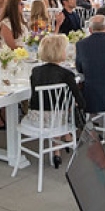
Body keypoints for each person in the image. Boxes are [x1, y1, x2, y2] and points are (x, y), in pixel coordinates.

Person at [28, 34, 81, 168]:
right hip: (56, 120)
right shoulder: (67, 74)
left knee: (55, 109)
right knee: (60, 111)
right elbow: (79, 99)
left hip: (36, 118)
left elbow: (33, 96)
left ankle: (57, 152)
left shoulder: (35, 71)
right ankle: (61, 145)